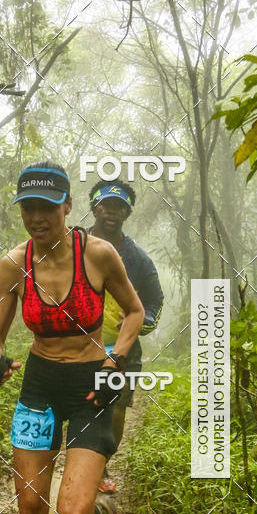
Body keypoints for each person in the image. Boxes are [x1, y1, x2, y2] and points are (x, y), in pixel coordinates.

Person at [0, 161, 144, 514]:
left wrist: (118, 358)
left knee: (73, 513)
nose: (37, 218)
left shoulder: (97, 255)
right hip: (39, 385)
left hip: (92, 385)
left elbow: (133, 311)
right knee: (30, 510)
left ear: (68, 206)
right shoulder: (13, 265)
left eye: (47, 208)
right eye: (28, 208)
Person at [87, 180, 164, 494]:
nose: (111, 212)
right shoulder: (73, 244)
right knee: (87, 407)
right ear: (95, 207)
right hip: (80, 346)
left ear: (127, 212)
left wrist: (140, 321)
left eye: (119, 207)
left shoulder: (138, 259)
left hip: (124, 350)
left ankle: (101, 465)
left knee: (115, 408)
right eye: (105, 205)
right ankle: (78, 468)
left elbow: (155, 300)